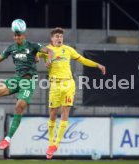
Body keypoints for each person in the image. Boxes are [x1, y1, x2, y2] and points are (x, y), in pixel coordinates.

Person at [0, 19, 53, 150]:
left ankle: (7, 139)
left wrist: (49, 60)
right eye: (15, 35)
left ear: (24, 35)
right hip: (16, 79)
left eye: (19, 35)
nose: (16, 37)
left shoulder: (32, 46)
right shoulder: (11, 48)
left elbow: (49, 51)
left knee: (19, 107)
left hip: (28, 82)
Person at [37, 27, 106, 159]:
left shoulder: (68, 50)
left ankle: (55, 144)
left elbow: (83, 60)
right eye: (56, 36)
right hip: (55, 85)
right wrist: (39, 58)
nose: (59, 38)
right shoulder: (46, 50)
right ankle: (51, 143)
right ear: (52, 38)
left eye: (61, 36)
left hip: (68, 84)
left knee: (65, 113)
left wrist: (97, 64)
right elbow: (35, 54)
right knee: (52, 114)